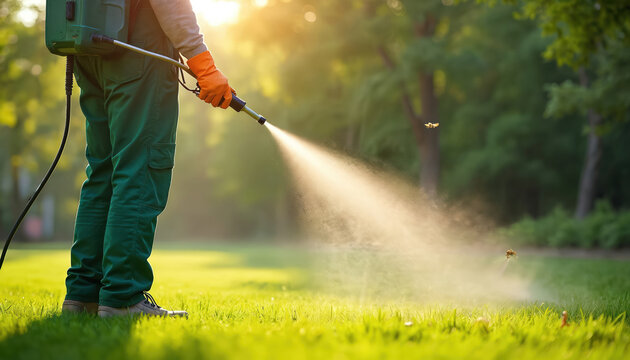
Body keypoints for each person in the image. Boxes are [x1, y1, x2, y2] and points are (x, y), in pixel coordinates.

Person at [60, 0, 231, 317]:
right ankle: (122, 297)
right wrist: (204, 65)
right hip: (136, 50)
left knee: (102, 173)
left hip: (87, 46)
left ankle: (83, 296)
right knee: (139, 170)